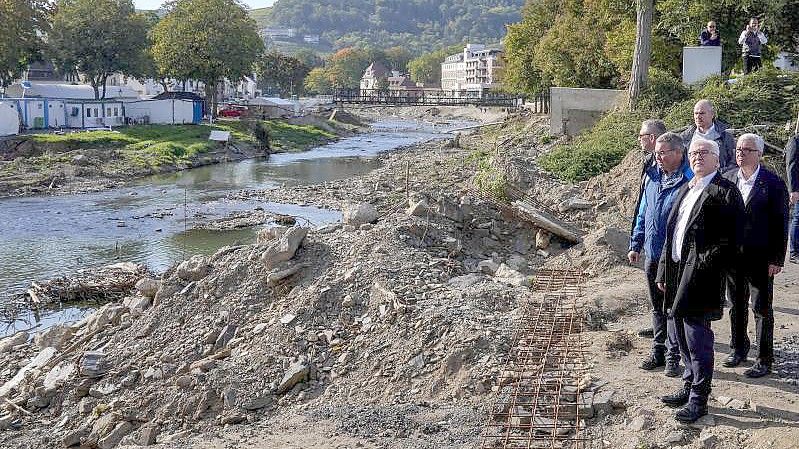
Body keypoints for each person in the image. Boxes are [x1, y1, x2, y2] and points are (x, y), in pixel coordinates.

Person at [656, 138, 744, 423]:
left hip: (702, 276)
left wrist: (703, 265)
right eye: (693, 153)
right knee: (679, 331)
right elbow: (673, 234)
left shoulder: (725, 192)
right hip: (677, 272)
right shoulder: (688, 186)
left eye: (704, 153)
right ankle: (688, 383)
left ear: (717, 159)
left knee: (697, 338)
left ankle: (699, 399)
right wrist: (663, 271)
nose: (697, 157)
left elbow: (732, 241)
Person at [722, 133, 789, 378]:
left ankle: (764, 358)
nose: (741, 153)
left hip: (761, 256)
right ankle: (738, 347)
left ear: (759, 154)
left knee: (761, 308)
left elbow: (781, 222)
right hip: (732, 257)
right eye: (739, 149)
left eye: (747, 149)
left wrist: (776, 259)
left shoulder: (772, 182)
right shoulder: (728, 178)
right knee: (736, 304)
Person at [629, 132, 693, 376]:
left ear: (679, 153)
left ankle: (673, 356)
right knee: (657, 308)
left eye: (664, 152)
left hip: (675, 258)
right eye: (657, 153)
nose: (659, 157)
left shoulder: (689, 180)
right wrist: (636, 244)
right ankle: (658, 350)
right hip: (652, 253)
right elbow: (643, 214)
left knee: (673, 310)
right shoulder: (652, 177)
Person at [631, 119, 668, 339]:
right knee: (655, 294)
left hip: (669, 246)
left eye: (642, 136)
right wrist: (636, 241)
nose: (639, 139)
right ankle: (659, 332)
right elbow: (644, 205)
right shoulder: (649, 164)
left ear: (652, 138)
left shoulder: (682, 173)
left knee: (668, 293)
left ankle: (671, 344)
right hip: (651, 242)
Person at [678, 99, 736, 170]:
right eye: (696, 113)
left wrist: (720, 175)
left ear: (712, 114)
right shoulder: (685, 137)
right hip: (690, 179)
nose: (698, 116)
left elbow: (733, 162)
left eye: (702, 113)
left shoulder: (726, 137)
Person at [787, 134, 799, 264]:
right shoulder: (795, 140)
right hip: (798, 188)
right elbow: (791, 165)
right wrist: (794, 189)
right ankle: (794, 253)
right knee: (798, 218)